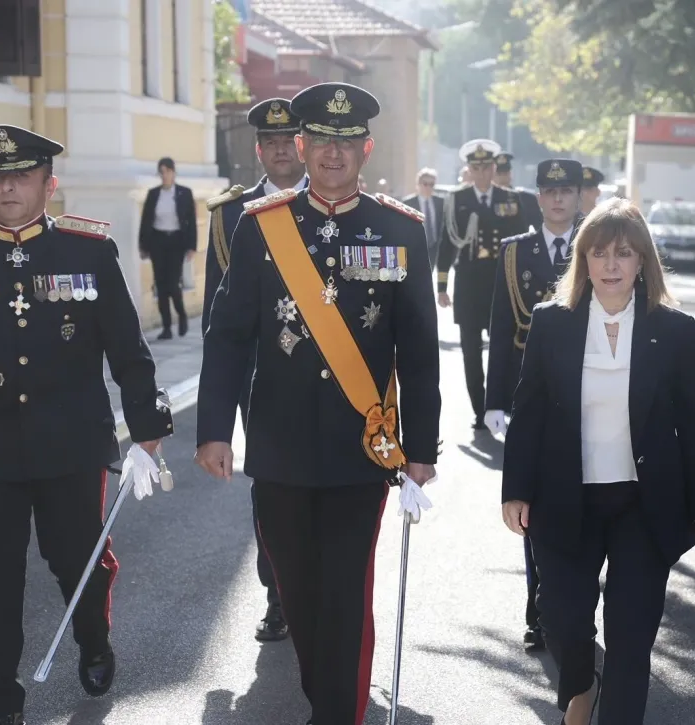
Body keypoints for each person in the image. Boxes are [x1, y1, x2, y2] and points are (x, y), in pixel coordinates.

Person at [0, 125, 173, 725]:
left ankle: (93, 637)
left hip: (70, 444)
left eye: (19, 177)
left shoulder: (88, 252)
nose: (6, 188)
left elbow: (127, 347)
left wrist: (148, 421)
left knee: (79, 561)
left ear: (49, 185)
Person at [195, 82, 441, 723]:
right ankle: (325, 697)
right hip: (278, 447)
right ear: (300, 146)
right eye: (321, 141)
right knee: (299, 592)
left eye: (345, 142)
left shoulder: (401, 230)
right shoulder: (260, 229)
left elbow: (419, 350)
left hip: (361, 449)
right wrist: (214, 429)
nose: (333, 154)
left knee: (345, 593)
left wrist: (420, 448)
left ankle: (337, 713)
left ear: (366, 148)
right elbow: (227, 337)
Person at [501, 197, 695, 725]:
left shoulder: (672, 329)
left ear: (642, 262)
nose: (610, 265)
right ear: (583, 261)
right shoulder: (552, 322)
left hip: (642, 505)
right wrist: (515, 489)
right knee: (562, 621)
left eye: (623, 254)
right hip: (566, 499)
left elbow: (694, 421)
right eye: (599, 254)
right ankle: (581, 683)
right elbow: (528, 410)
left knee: (631, 634)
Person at [201, 97, 309, 642]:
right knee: (268, 489)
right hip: (260, 380)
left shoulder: (337, 204)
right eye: (269, 142)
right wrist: (217, 412)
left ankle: (323, 589)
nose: (280, 150)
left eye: (289, 140)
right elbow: (216, 320)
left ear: (305, 144)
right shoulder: (230, 215)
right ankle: (278, 594)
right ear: (257, 149)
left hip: (328, 378)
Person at [484, 158, 583, 653]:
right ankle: (538, 611)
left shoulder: (599, 247)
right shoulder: (513, 253)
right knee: (531, 503)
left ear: (579, 196)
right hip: (532, 396)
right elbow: (501, 329)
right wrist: (494, 400)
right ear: (538, 198)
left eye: (567, 191)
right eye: (549, 191)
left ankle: (576, 605)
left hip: (588, 394)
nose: (559, 199)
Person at [437, 139, 531, 430]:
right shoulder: (457, 199)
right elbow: (447, 243)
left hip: (501, 284)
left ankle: (498, 404)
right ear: (469, 170)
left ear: (493, 168)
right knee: (471, 351)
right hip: (468, 285)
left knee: (503, 349)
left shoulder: (510, 199)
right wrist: (442, 286)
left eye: (486, 167)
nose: (481, 173)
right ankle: (479, 409)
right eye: (475, 168)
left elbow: (521, 245)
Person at [138, 157, 197, 340]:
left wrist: (191, 246)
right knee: (161, 286)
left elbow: (191, 222)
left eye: (167, 171)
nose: (164, 175)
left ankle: (182, 314)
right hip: (158, 241)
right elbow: (146, 220)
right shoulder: (154, 194)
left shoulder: (184, 193)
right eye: (161, 172)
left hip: (176, 242)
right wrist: (143, 245)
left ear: (173, 172)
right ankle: (166, 327)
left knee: (173, 284)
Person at [402, 167, 446, 267]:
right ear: (418, 184)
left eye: (431, 184)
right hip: (416, 247)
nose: (428, 187)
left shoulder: (441, 202)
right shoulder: (408, 203)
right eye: (425, 184)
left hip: (435, 247)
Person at [495, 151, 543, 231]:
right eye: (499, 174)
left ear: (510, 174)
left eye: (506, 173)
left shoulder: (526, 199)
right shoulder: (486, 200)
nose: (502, 178)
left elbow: (540, 230)